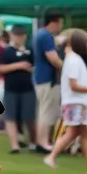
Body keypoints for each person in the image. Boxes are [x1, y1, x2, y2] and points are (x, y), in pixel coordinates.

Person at [45, 29, 87, 171]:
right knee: (73, 132)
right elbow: (74, 85)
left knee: (84, 133)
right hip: (75, 102)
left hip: (79, 102)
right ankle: (51, 156)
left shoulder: (75, 59)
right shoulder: (73, 60)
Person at [0, 25, 36, 153]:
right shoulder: (7, 52)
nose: (19, 38)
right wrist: (18, 65)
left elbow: (35, 68)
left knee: (29, 117)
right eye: (16, 35)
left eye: (21, 35)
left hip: (28, 88)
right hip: (11, 88)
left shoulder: (30, 51)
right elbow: (1, 69)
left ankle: (32, 141)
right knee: (11, 117)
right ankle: (15, 145)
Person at [33, 11, 66, 153]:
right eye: (60, 23)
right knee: (47, 111)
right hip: (48, 79)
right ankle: (44, 142)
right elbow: (52, 57)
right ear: (54, 22)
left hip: (40, 78)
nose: (61, 26)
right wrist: (67, 67)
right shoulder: (46, 36)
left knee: (42, 111)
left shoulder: (38, 34)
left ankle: (41, 140)